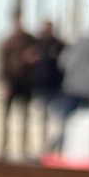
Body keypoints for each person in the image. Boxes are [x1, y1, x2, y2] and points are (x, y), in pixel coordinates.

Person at [0, 11, 39, 161]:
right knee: (6, 118)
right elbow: (2, 64)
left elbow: (38, 58)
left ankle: (24, 150)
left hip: (26, 83)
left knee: (25, 119)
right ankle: (4, 150)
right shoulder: (8, 41)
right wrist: (4, 84)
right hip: (11, 83)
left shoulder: (30, 40)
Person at [49, 34, 89, 155]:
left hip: (72, 88)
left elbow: (62, 63)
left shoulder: (75, 45)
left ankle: (59, 148)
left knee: (67, 122)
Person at [32, 20, 64, 155]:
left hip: (54, 87)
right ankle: (42, 148)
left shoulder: (59, 45)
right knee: (41, 120)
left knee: (56, 120)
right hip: (40, 86)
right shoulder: (37, 44)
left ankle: (54, 149)